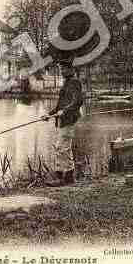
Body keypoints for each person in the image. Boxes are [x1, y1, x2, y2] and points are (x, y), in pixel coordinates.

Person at [42, 58, 83, 186]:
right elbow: (60, 106)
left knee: (62, 147)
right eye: (61, 69)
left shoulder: (75, 82)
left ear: (71, 69)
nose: (62, 71)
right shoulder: (67, 82)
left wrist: (64, 111)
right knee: (63, 147)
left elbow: (78, 101)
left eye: (64, 69)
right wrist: (48, 115)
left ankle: (63, 177)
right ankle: (66, 177)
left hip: (69, 119)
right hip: (62, 120)